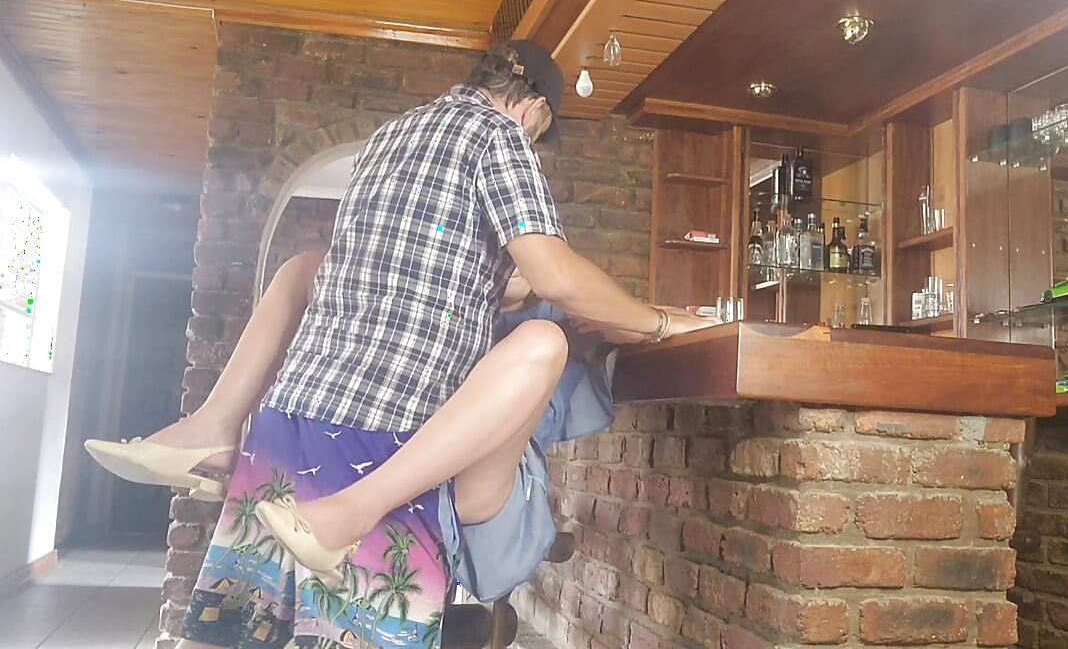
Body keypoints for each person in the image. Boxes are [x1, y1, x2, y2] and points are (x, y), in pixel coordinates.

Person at [89, 39, 714, 649]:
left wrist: (518, 288)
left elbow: (422, 272)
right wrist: (659, 323)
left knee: (229, 630)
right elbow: (554, 275)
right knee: (543, 342)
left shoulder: (391, 135)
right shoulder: (498, 136)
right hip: (386, 441)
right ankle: (350, 508)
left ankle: (212, 426)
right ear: (535, 111)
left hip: (291, 418)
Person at [89, 250, 631, 600]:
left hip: (476, 494)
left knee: (542, 344)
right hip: (387, 441)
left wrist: (648, 320)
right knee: (307, 266)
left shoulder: (543, 319)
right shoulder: (425, 299)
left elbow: (591, 326)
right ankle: (213, 427)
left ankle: (354, 511)